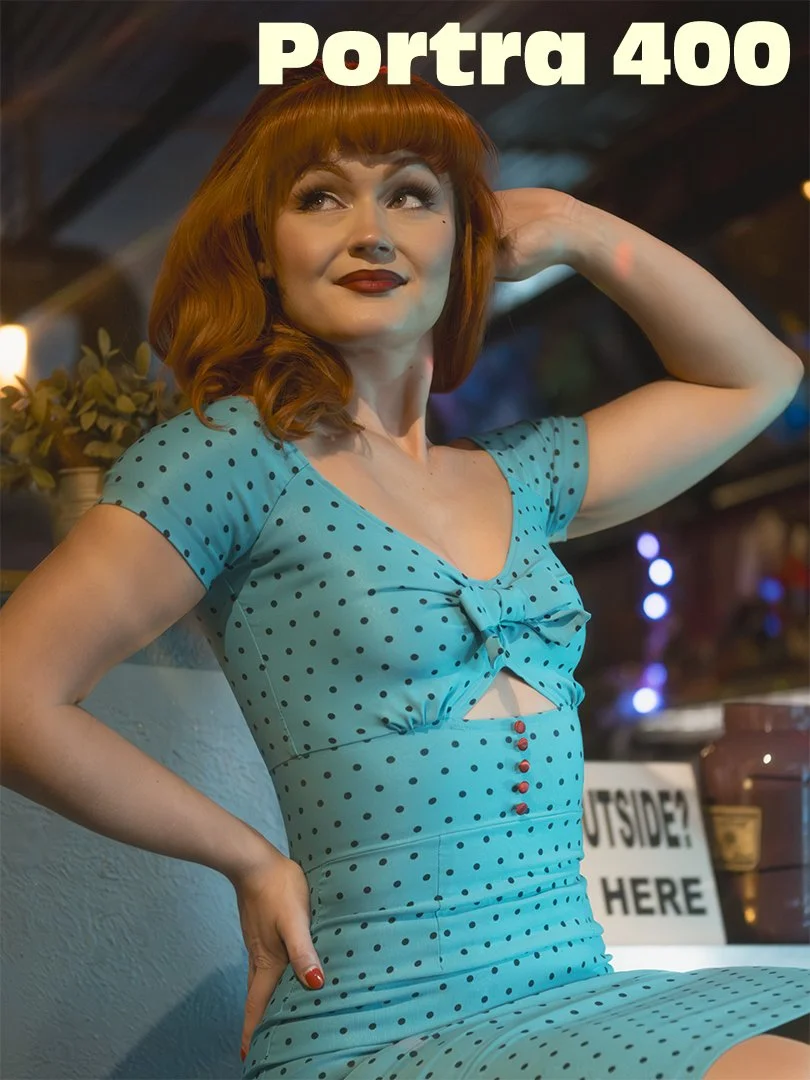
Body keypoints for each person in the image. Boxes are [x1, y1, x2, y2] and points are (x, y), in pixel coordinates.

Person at [1, 58, 807, 1080]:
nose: (370, 229)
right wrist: (245, 856)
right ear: (260, 248)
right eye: (320, 196)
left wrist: (573, 225)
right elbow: (13, 695)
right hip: (382, 1032)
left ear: (465, 242)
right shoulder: (231, 457)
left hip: (576, 992)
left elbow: (759, 376)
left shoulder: (521, 476)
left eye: (412, 195)